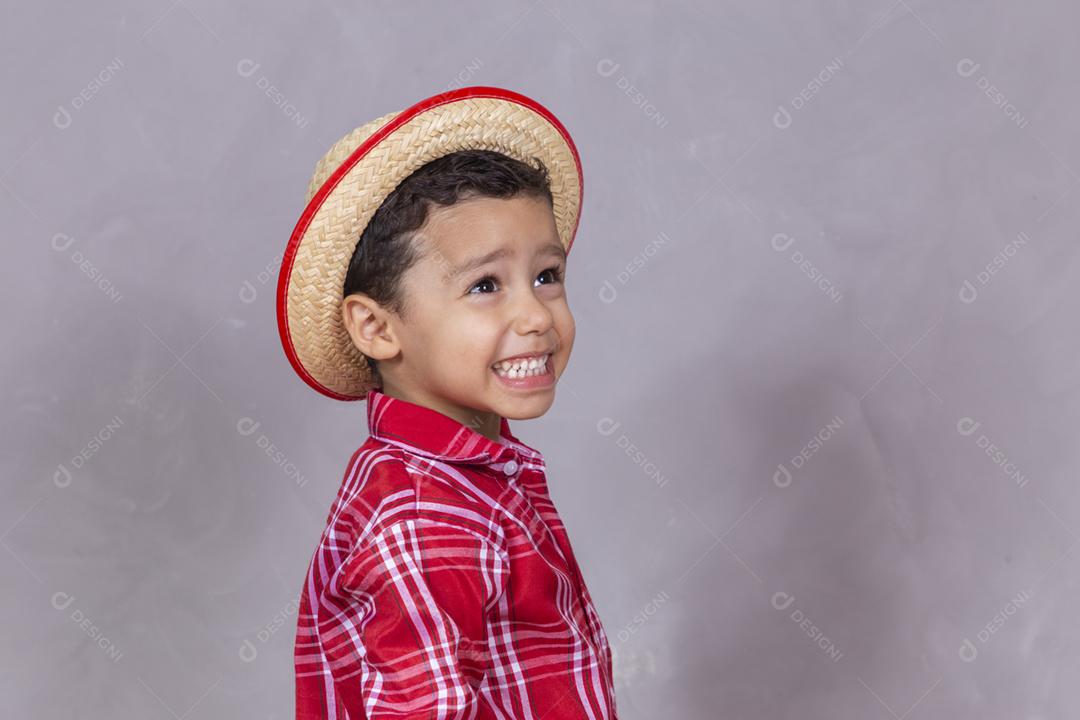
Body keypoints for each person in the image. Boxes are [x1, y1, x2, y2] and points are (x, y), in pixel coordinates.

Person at [277, 86, 618, 719]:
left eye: (547, 276)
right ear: (377, 329)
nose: (535, 315)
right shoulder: (420, 516)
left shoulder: (474, 484)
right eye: (485, 285)